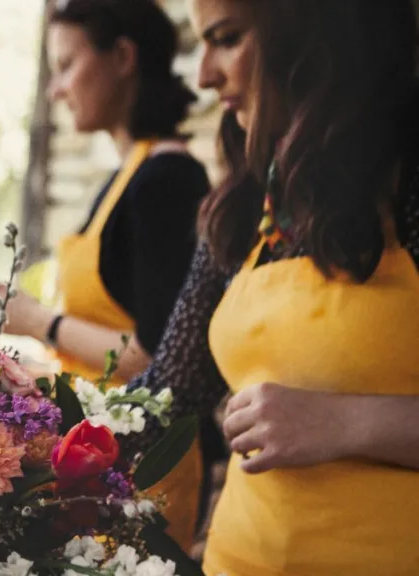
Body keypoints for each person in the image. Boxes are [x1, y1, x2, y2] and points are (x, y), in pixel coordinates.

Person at [126, 0, 419, 573]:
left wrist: (348, 422)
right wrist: (15, 436)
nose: (205, 74)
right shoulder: (250, 202)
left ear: (313, 31)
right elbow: (166, 396)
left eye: (228, 38)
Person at [0, 0, 210, 551]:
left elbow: (156, 357)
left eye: (68, 64)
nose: (56, 89)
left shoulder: (166, 180)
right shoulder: (127, 176)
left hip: (147, 469)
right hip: (102, 455)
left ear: (122, 57)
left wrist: (37, 320)